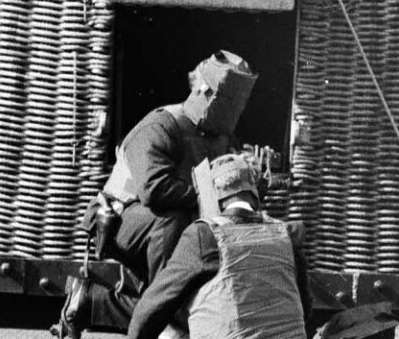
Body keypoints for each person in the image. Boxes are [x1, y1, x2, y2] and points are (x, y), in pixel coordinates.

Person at [51, 50, 258, 339]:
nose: (232, 113)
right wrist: (212, 193)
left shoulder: (218, 137)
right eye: (225, 103)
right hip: (120, 220)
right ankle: (164, 309)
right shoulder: (161, 125)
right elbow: (154, 191)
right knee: (170, 221)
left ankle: (89, 301)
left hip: (171, 223)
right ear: (204, 92)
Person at [126, 152, 311, 339]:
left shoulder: (204, 235)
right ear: (255, 197)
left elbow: (152, 309)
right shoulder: (284, 235)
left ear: (211, 198)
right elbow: (305, 306)